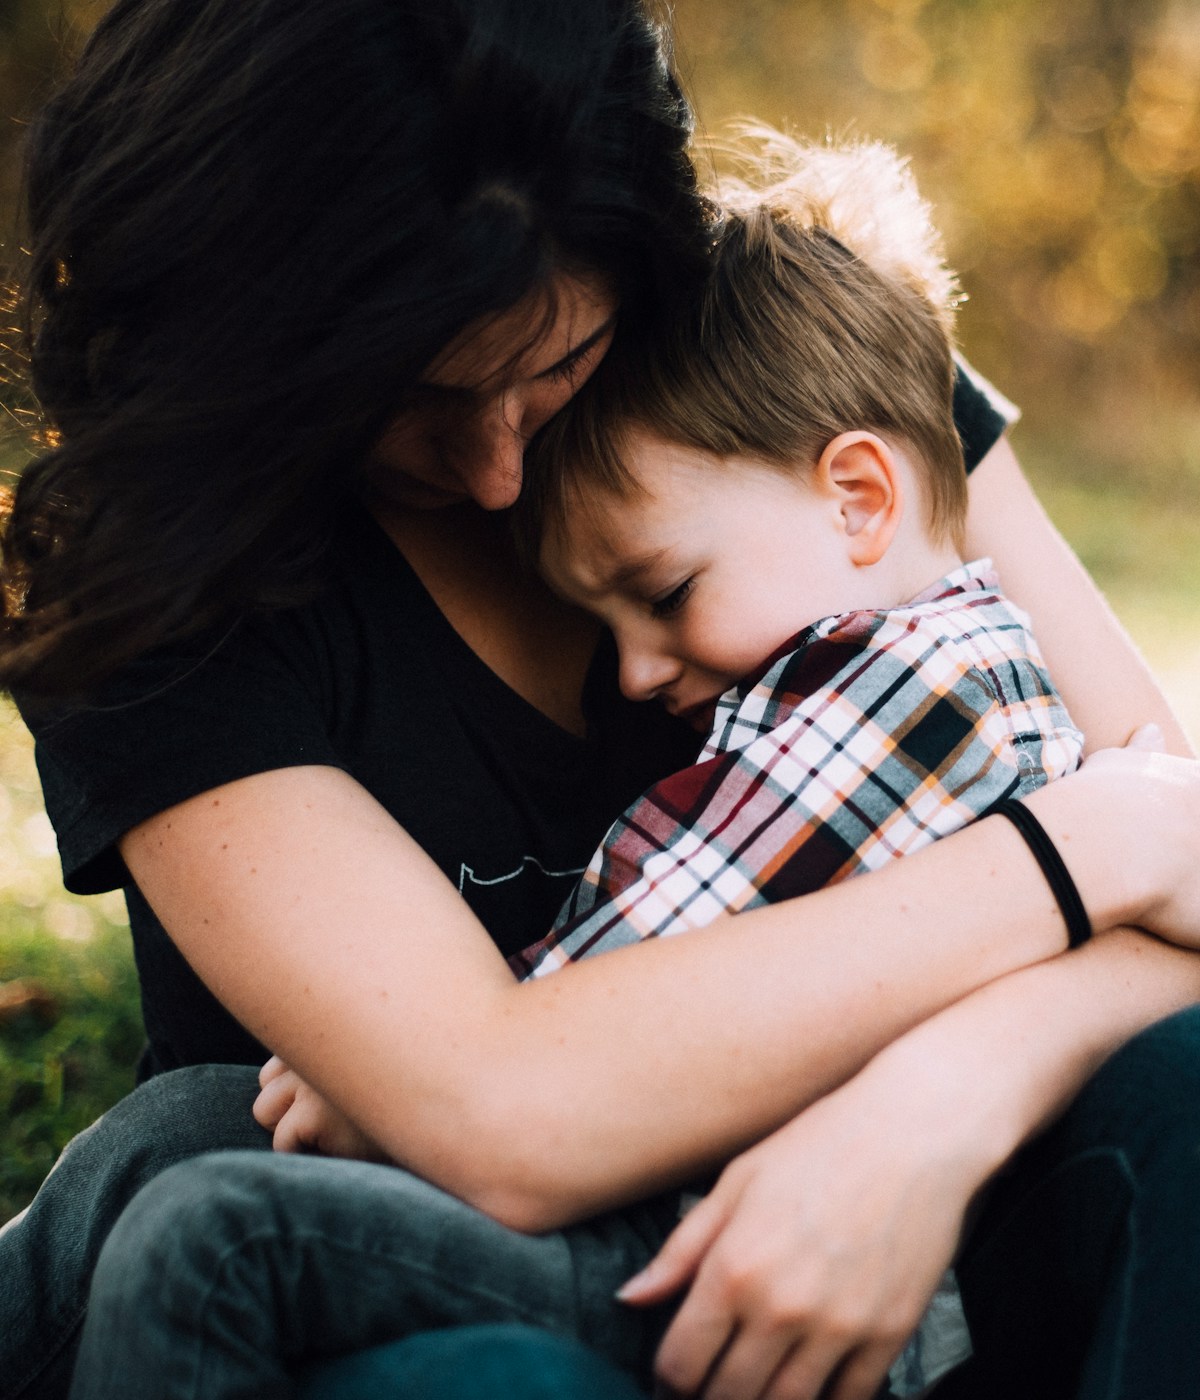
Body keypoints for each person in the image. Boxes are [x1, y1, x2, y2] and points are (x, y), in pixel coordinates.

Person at [2, 2, 1200, 1399]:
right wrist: (1083, 855)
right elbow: (498, 1109)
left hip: (916, 1242)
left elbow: (1181, 875)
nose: (501, 472)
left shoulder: (782, 352)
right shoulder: (157, 567)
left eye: (556, 369)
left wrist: (930, 1112)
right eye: (415, 398)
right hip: (440, 1281)